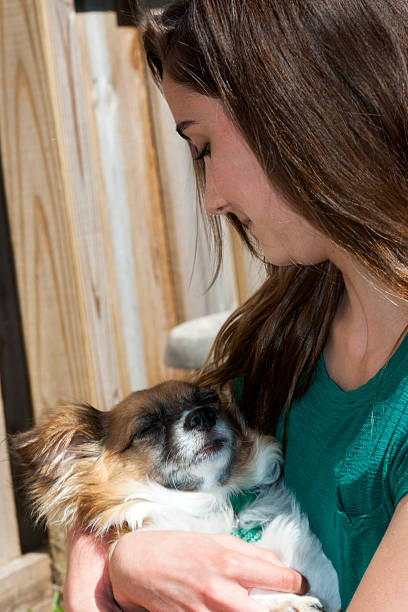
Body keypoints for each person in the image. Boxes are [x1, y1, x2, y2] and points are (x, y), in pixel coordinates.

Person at [64, 1, 408, 610]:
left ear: (298, 112)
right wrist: (121, 556)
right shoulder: (283, 335)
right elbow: (109, 487)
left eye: (202, 147)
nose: (211, 200)